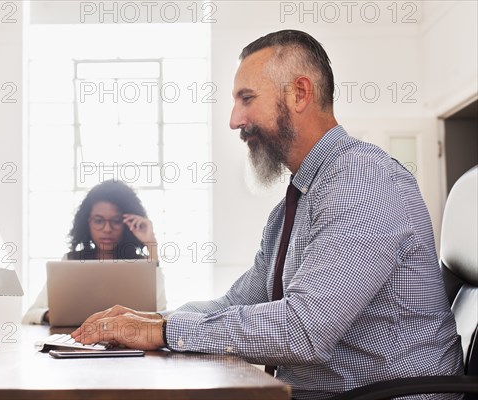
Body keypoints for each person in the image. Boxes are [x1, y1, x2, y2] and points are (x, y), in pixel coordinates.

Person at [70, 30, 463, 399]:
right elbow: (235, 302)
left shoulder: (362, 181)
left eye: (246, 98)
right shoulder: (295, 204)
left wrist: (163, 331)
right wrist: (147, 320)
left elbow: (302, 330)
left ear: (299, 93)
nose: (234, 120)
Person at [22, 180, 166, 325]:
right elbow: (29, 316)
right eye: (98, 220)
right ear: (87, 222)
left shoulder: (141, 264)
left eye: (116, 221)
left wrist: (151, 245)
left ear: (126, 223)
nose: (107, 229)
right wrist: (52, 315)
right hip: (78, 342)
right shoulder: (71, 262)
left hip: (129, 343)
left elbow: (160, 315)